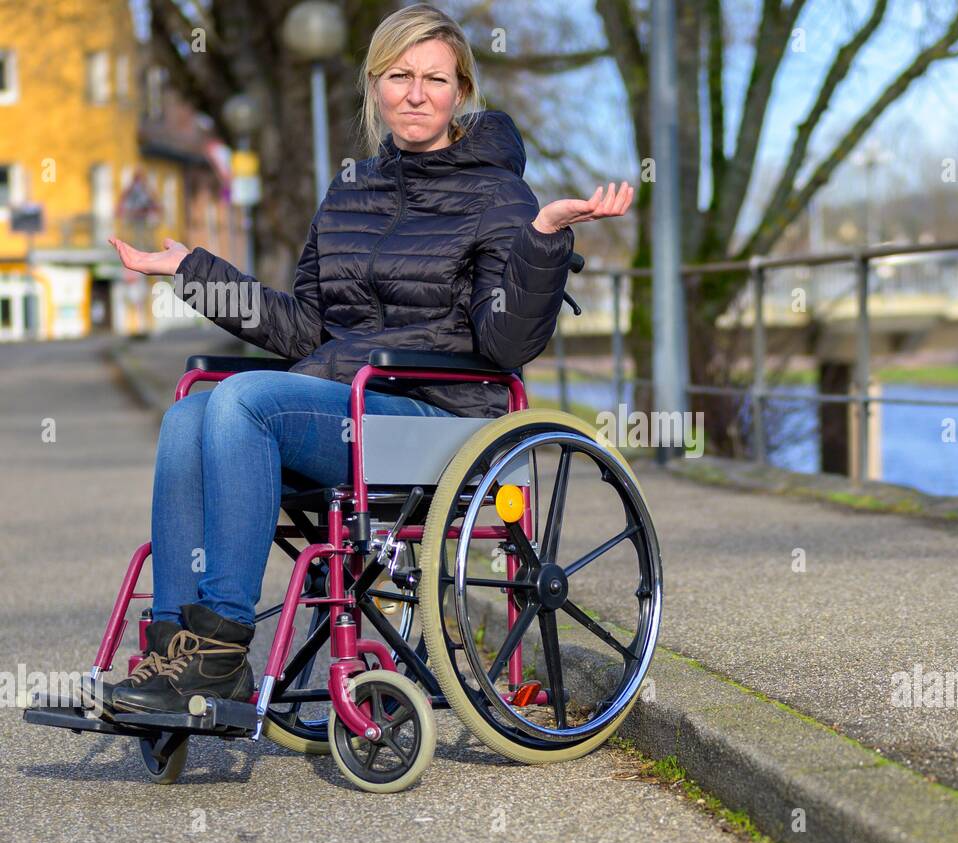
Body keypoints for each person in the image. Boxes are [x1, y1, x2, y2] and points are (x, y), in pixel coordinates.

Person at [100, 2, 633, 714]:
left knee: (241, 401)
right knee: (191, 411)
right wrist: (194, 271)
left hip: (438, 415)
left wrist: (543, 238)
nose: (417, 93)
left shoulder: (498, 195)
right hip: (348, 404)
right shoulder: (351, 190)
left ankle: (222, 645)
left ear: (461, 94)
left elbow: (508, 344)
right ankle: (174, 650)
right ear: (375, 84)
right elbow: (305, 330)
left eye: (436, 79)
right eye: (400, 75)